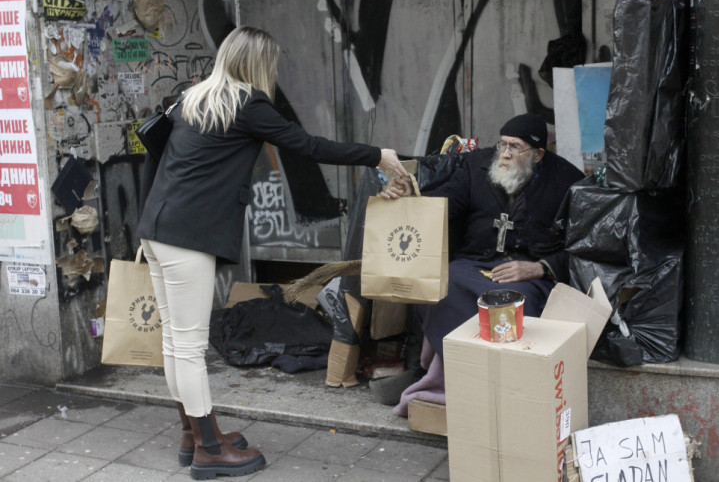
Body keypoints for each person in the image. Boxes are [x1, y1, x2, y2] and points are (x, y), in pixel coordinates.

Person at [137, 26, 407, 480]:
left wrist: (145, 228)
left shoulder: (191, 98)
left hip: (158, 230)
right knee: (189, 347)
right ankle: (208, 451)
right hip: (188, 237)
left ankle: (195, 435)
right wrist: (376, 154)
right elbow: (309, 146)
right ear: (258, 63)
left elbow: (156, 159)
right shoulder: (246, 104)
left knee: (174, 343)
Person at [381, 113, 584, 413]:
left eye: (515, 147)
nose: (505, 153)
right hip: (475, 263)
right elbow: (445, 202)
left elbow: (583, 246)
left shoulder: (568, 181)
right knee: (441, 287)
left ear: (538, 154)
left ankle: (496, 387)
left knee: (513, 305)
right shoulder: (478, 165)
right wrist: (411, 194)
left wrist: (540, 267)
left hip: (526, 275)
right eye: (503, 144)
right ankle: (444, 378)